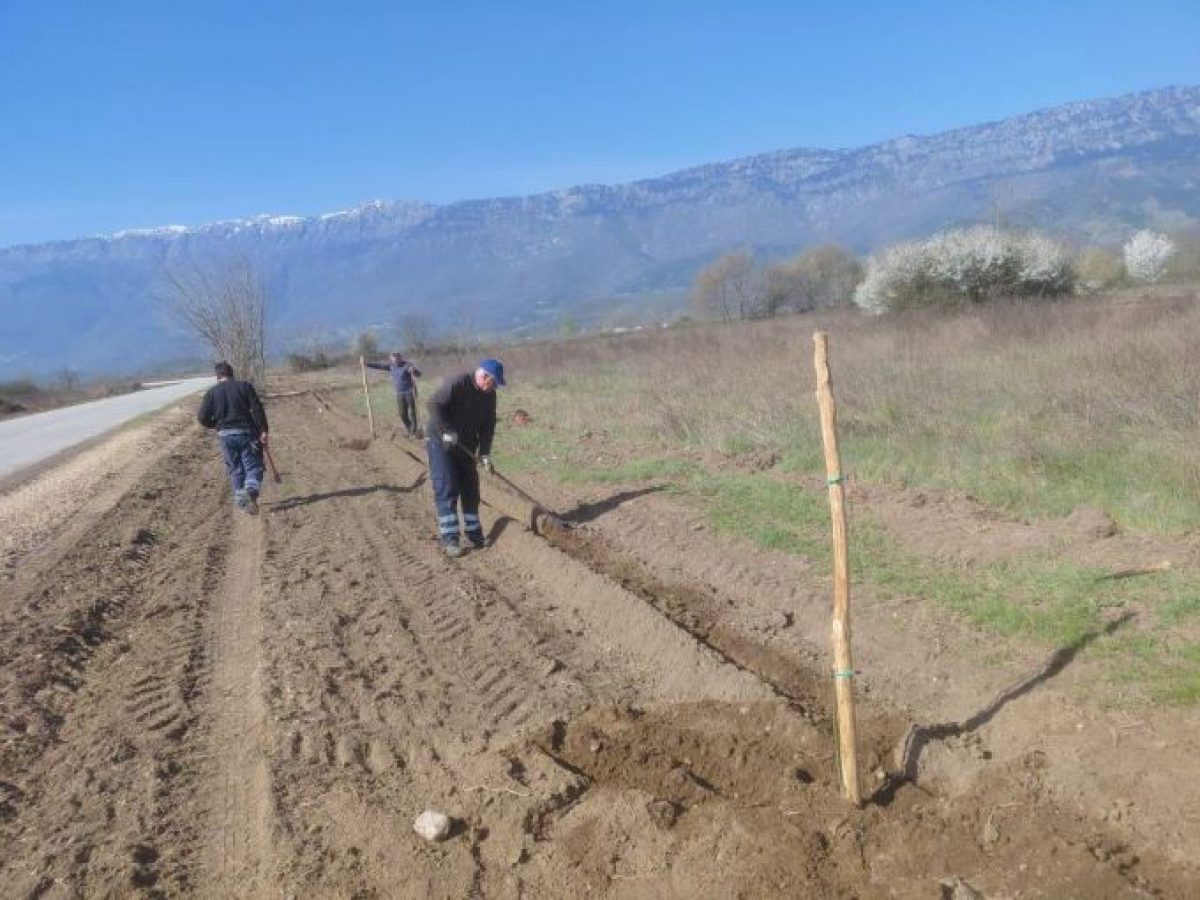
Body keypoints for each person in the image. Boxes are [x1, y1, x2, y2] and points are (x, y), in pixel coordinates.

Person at [425, 357, 505, 557]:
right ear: (484, 376)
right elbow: (433, 403)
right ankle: (450, 539)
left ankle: (474, 534)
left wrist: (485, 453)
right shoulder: (458, 383)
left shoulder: (490, 395)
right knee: (448, 485)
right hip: (441, 442)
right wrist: (446, 430)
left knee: (470, 487)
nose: (494, 387)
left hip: (466, 444)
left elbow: (488, 426)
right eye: (493, 382)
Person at [198, 361, 270, 515]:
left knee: (236, 469)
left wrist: (215, 425)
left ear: (217, 376)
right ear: (231, 373)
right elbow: (257, 409)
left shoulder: (211, 393)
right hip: (246, 434)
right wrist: (263, 430)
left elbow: (202, 418)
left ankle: (243, 504)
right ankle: (251, 493)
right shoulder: (244, 386)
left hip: (225, 436)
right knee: (254, 467)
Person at [366, 351, 422, 436]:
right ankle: (410, 428)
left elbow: (418, 374)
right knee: (402, 413)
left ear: (400, 357)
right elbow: (379, 366)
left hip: (410, 391)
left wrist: (413, 371)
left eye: (397, 357)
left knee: (413, 412)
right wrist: (367, 364)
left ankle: (414, 431)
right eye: (394, 357)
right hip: (399, 393)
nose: (396, 359)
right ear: (391, 359)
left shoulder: (407, 365)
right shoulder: (391, 366)